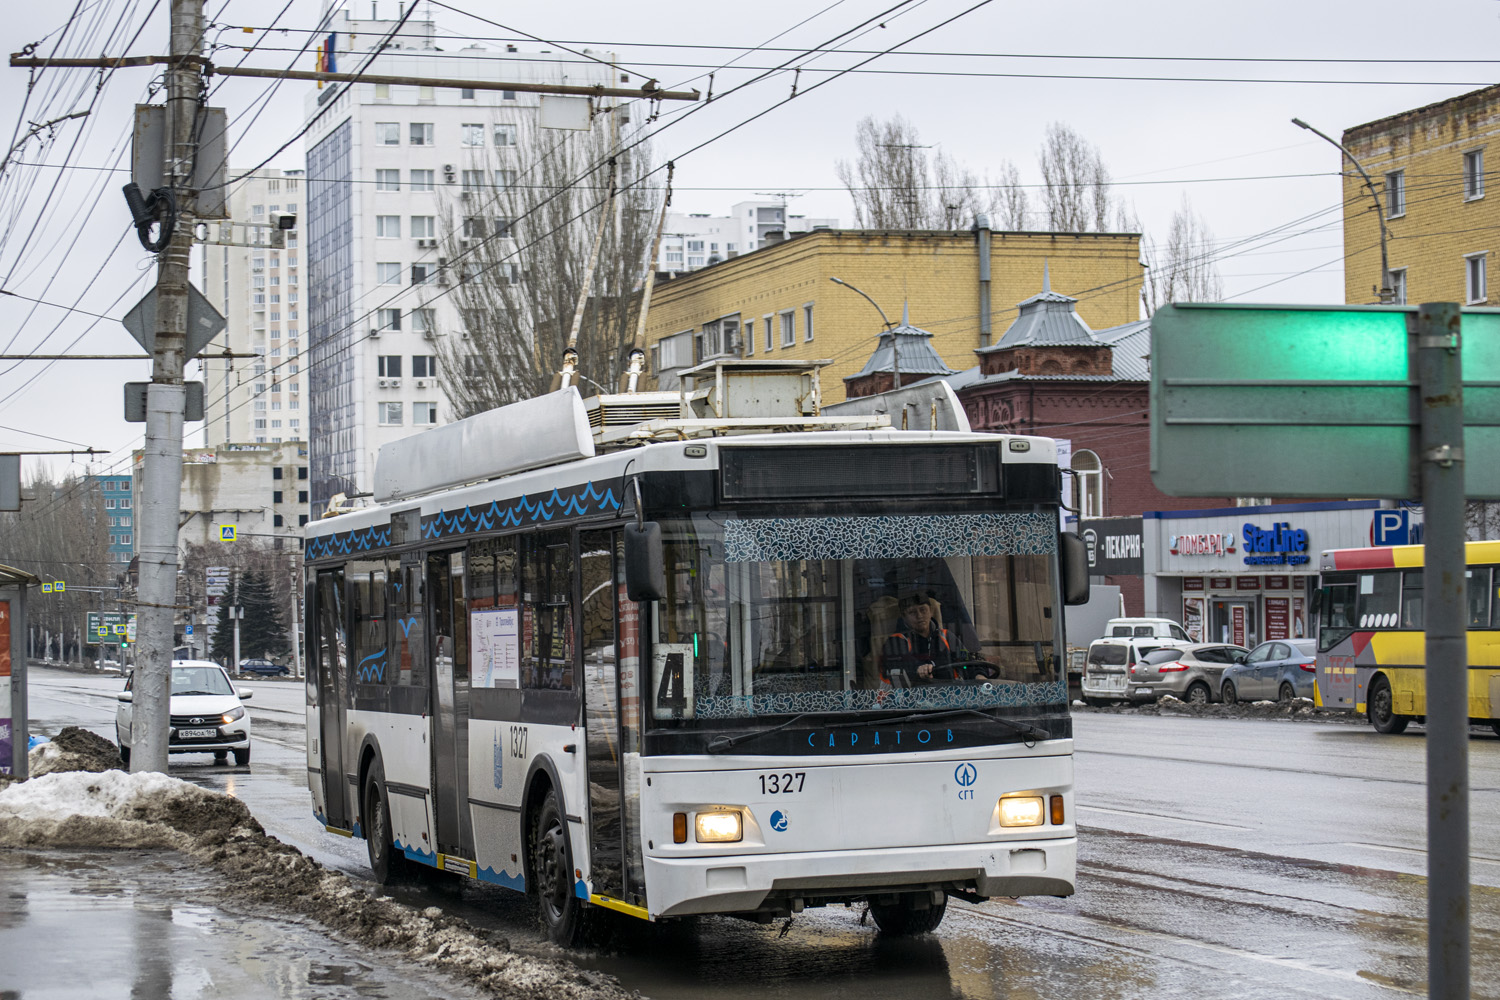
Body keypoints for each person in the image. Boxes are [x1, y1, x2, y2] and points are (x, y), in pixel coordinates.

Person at [881, 592, 989, 684]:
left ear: (931, 611)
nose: (919, 616)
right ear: (904, 616)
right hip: (912, 699)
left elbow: (966, 661)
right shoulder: (896, 641)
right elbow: (893, 666)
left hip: (949, 697)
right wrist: (917, 669)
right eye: (912, 612)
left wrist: (979, 675)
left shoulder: (947, 637)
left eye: (923, 610)